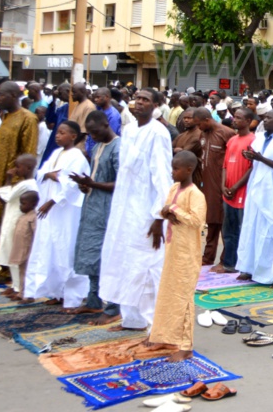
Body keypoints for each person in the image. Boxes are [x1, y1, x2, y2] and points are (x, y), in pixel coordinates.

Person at [100, 88, 173, 331]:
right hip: (124, 208)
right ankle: (132, 319)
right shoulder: (129, 130)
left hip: (146, 210)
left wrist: (158, 216)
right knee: (124, 261)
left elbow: (162, 176)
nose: (139, 103)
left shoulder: (159, 133)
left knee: (148, 265)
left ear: (155, 106)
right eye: (138, 98)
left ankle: (157, 326)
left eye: (145, 100)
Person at [147, 151, 207, 363]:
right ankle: (166, 337)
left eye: (176, 168)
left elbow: (196, 220)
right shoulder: (174, 188)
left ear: (188, 170)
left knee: (183, 297)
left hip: (186, 252)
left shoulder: (195, 194)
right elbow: (165, 211)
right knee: (168, 293)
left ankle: (185, 346)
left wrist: (173, 210)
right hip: (172, 248)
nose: (172, 172)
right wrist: (169, 211)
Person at [26, 121, 91, 308]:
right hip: (49, 211)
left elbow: (73, 184)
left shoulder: (77, 157)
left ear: (73, 136)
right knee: (48, 248)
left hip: (65, 211)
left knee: (65, 249)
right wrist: (49, 175)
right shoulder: (55, 153)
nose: (57, 136)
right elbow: (41, 173)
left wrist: (52, 199)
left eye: (62, 133)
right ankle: (55, 291)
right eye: (57, 132)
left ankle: (72, 296)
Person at [0, 81, 39, 264]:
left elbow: (28, 154)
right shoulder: (6, 117)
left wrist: (16, 182)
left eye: (1, 95)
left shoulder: (28, 118)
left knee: (7, 225)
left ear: (13, 96)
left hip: (11, 182)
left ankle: (8, 271)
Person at [70, 111, 119, 316]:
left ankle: (114, 306)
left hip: (108, 208)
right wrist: (85, 185)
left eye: (94, 131)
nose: (92, 136)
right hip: (92, 206)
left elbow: (122, 183)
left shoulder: (118, 147)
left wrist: (93, 184)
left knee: (108, 256)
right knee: (91, 253)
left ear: (106, 124)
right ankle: (93, 300)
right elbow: (94, 177)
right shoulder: (97, 146)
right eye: (89, 133)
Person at [236, 109, 273, 284]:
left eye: (269, 118)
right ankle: (248, 268)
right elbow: (256, 161)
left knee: (269, 229)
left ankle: (268, 272)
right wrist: (251, 157)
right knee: (251, 226)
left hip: (272, 189)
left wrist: (260, 159)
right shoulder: (259, 137)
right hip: (256, 185)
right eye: (265, 117)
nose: (265, 120)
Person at [194, 107, 234, 266]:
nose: (198, 128)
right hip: (208, 184)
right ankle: (208, 257)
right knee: (211, 219)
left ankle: (226, 259)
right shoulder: (203, 133)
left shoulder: (227, 133)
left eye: (199, 124)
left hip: (223, 185)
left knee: (224, 222)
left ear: (207, 120)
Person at [216, 108, 253, 274]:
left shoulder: (253, 140)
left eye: (239, 118)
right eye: (235, 117)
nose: (235, 120)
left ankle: (243, 265)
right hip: (228, 194)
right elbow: (224, 166)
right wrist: (223, 185)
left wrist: (236, 186)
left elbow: (251, 168)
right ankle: (229, 264)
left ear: (248, 121)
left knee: (242, 230)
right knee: (228, 231)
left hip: (242, 194)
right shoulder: (232, 140)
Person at [0, 154, 37, 299]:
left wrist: (8, 179)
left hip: (17, 220)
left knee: (16, 255)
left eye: (18, 166)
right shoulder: (23, 183)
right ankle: (15, 286)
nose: (15, 169)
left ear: (28, 168)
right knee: (10, 253)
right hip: (11, 218)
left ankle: (20, 287)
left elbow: (7, 196)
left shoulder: (28, 184)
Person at [10, 190, 40, 304]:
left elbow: (36, 234)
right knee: (22, 271)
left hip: (28, 250)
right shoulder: (23, 216)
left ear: (33, 204)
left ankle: (29, 295)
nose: (21, 206)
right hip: (20, 249)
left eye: (23, 203)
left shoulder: (33, 217)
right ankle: (22, 293)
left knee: (28, 272)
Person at [68, 84, 96, 150]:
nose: (72, 94)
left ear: (82, 92)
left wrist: (71, 145)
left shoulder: (88, 106)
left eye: (74, 92)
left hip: (80, 146)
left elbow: (83, 132)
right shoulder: (79, 104)